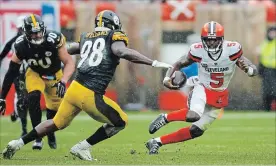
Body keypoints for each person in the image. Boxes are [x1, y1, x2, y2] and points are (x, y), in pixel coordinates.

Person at [2, 10, 172, 160]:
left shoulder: (87, 37)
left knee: (55, 123)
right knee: (121, 121)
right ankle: (83, 147)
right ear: (112, 25)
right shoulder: (114, 36)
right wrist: (153, 62)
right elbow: (121, 51)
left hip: (74, 88)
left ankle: (17, 143)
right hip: (89, 93)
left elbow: (70, 48)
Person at [146, 21, 258, 154]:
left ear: (221, 39)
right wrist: (167, 78)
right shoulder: (197, 50)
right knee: (194, 115)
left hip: (219, 95)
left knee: (196, 131)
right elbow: (178, 63)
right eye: (208, 40)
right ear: (203, 40)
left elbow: (250, 67)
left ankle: (157, 142)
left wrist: (250, 70)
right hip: (202, 87)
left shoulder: (232, 49)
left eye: (214, 40)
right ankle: (165, 118)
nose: (211, 43)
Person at [0, 14, 75, 150]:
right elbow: (11, 72)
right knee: (33, 97)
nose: (37, 36)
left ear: (44, 30)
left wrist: (63, 81)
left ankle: (50, 133)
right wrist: (2, 97)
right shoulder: (21, 45)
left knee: (54, 109)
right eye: (33, 33)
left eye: (39, 32)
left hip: (54, 74)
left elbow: (69, 62)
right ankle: (38, 138)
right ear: (26, 32)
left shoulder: (54, 39)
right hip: (35, 73)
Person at [0, 15, 28, 136]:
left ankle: (17, 113)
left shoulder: (37, 39)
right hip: (18, 72)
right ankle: (24, 129)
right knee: (20, 98)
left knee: (28, 99)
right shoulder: (14, 41)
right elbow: (1, 55)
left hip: (33, 73)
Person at [256, 26, 276, 111]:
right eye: (271, 32)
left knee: (274, 91)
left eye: (274, 32)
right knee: (267, 91)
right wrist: (260, 68)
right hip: (266, 70)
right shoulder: (264, 43)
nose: (272, 34)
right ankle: (266, 108)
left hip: (274, 70)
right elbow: (260, 56)